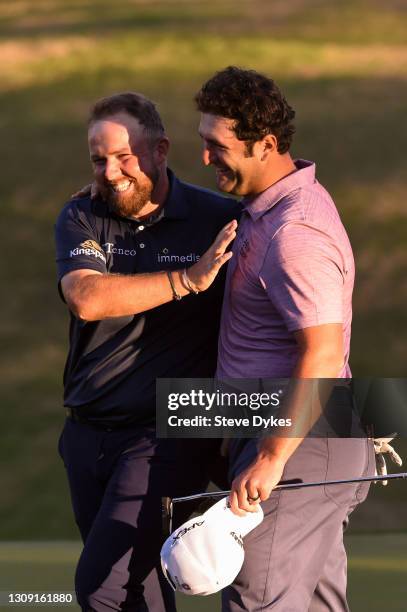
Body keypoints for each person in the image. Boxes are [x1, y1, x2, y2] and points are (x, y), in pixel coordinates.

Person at [194, 66, 376, 611]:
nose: (205, 158)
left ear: (265, 144)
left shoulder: (294, 232)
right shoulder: (264, 210)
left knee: (258, 599)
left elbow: (321, 350)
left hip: (300, 442)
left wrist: (272, 454)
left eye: (216, 145)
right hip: (299, 436)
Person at [54, 91, 239, 612]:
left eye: (124, 156)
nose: (110, 172)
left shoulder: (219, 219)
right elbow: (87, 297)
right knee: (138, 588)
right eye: (98, 159)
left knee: (101, 586)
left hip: (168, 432)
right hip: (86, 434)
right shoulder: (82, 214)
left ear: (160, 150)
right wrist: (187, 279)